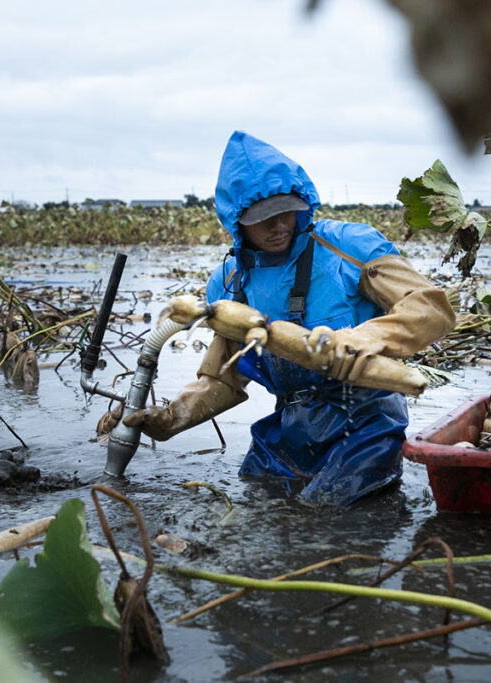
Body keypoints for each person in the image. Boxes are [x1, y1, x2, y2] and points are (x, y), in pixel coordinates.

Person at [124, 131, 455, 506]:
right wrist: (171, 419)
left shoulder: (349, 248)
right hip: (290, 424)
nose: (279, 224)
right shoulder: (230, 284)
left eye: (287, 209)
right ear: (236, 221)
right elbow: (224, 378)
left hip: (366, 421)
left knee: (334, 513)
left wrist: (362, 340)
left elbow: (430, 308)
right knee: (258, 499)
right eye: (263, 218)